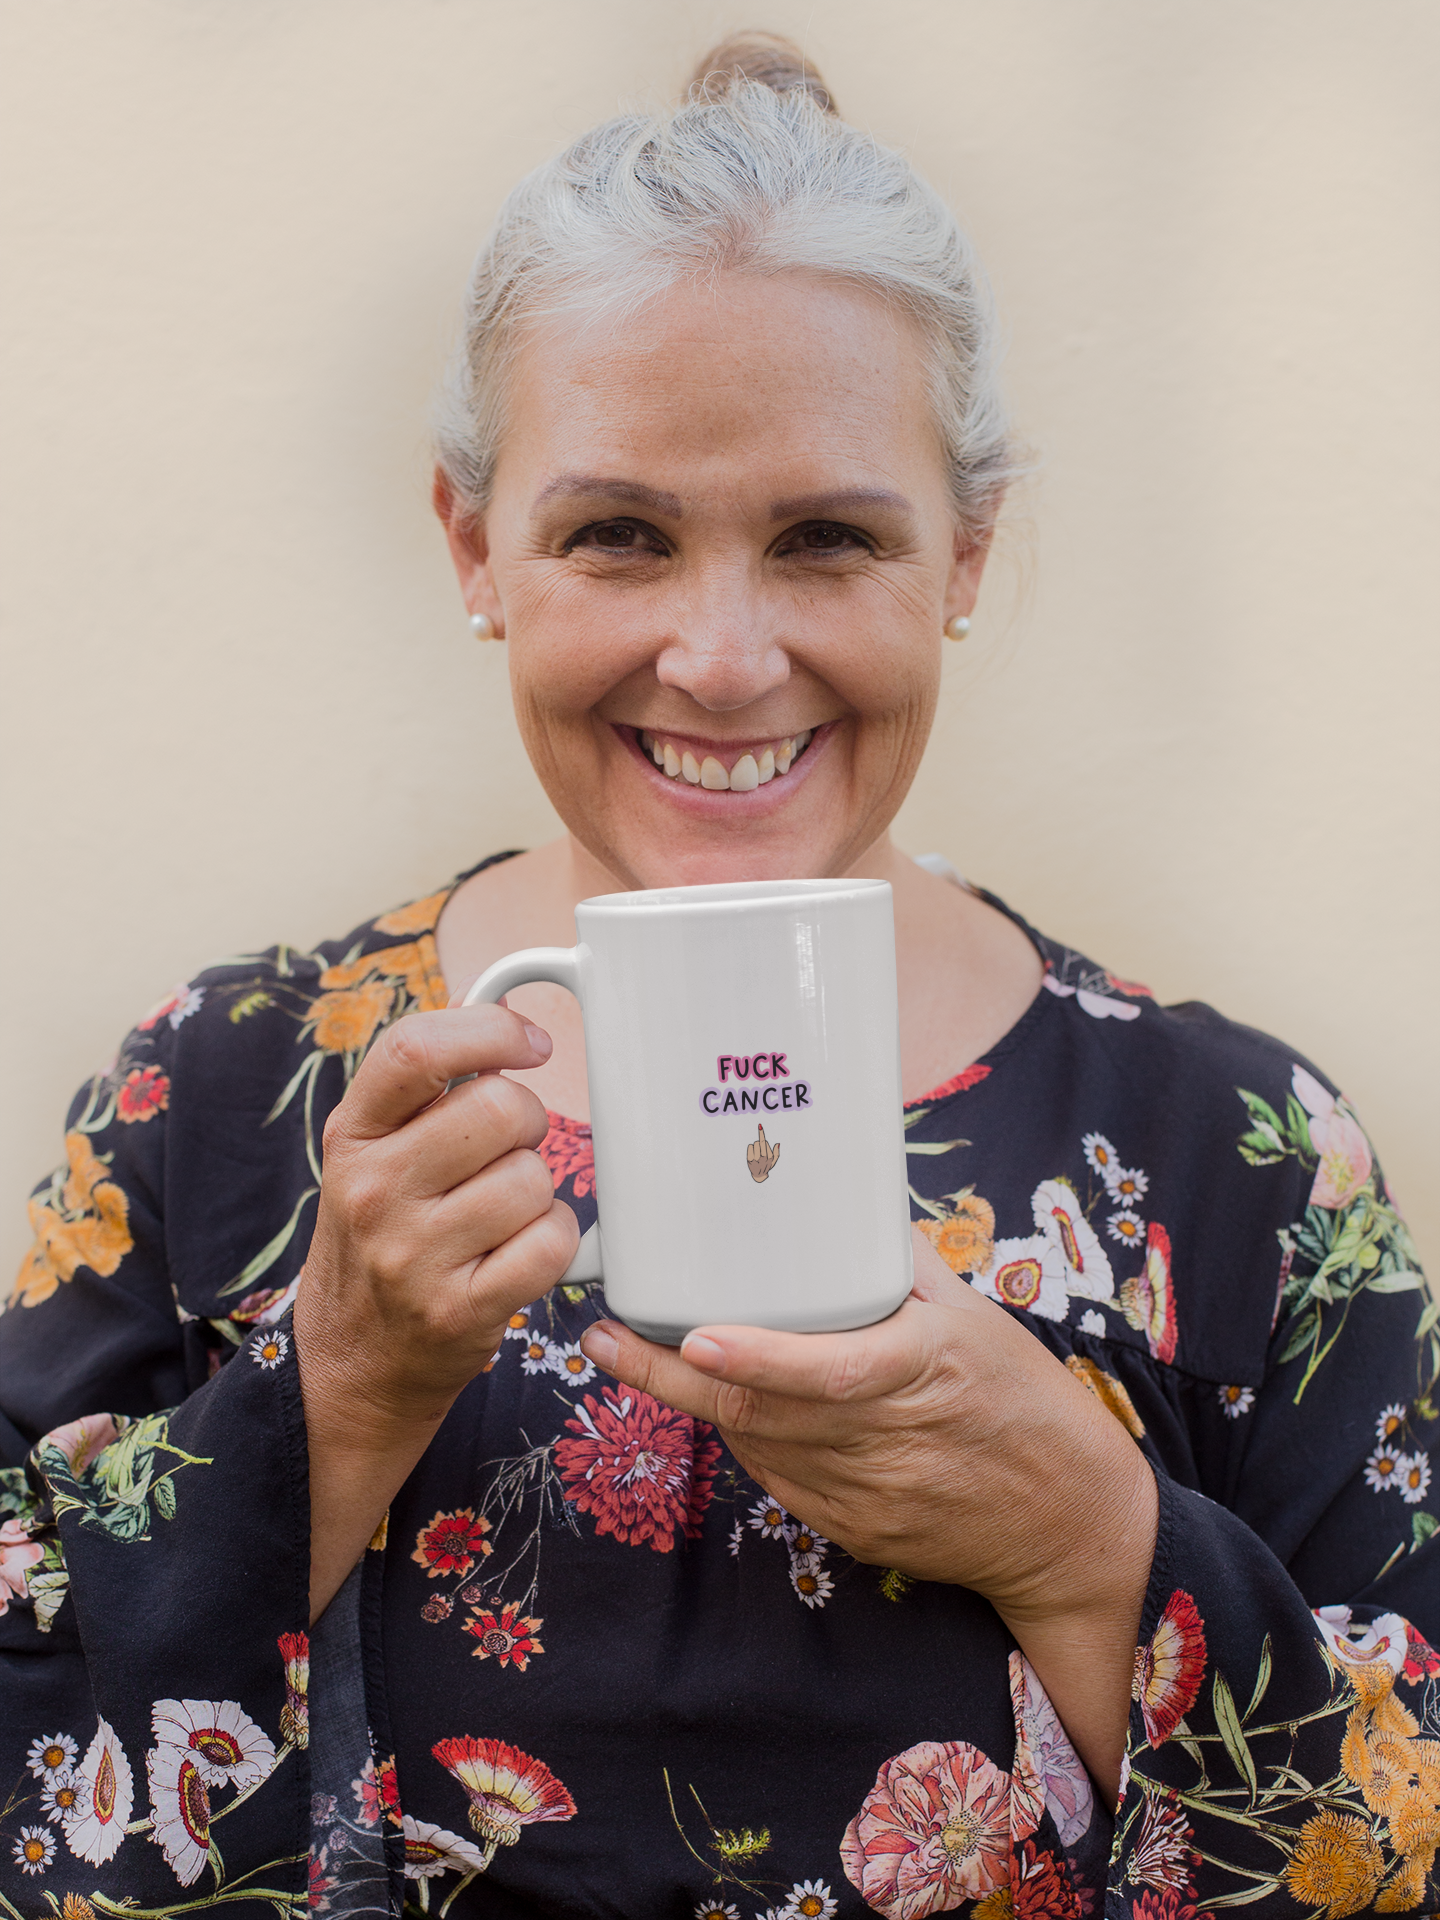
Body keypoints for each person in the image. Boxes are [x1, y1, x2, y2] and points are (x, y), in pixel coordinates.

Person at [1, 34, 1436, 1920]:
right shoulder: (231, 1095)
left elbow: (1396, 1843)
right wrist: (333, 1390)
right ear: (474, 544)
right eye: (618, 535)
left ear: (966, 554)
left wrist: (1090, 1542)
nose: (726, 657)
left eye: (829, 538)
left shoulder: (1235, 1152)